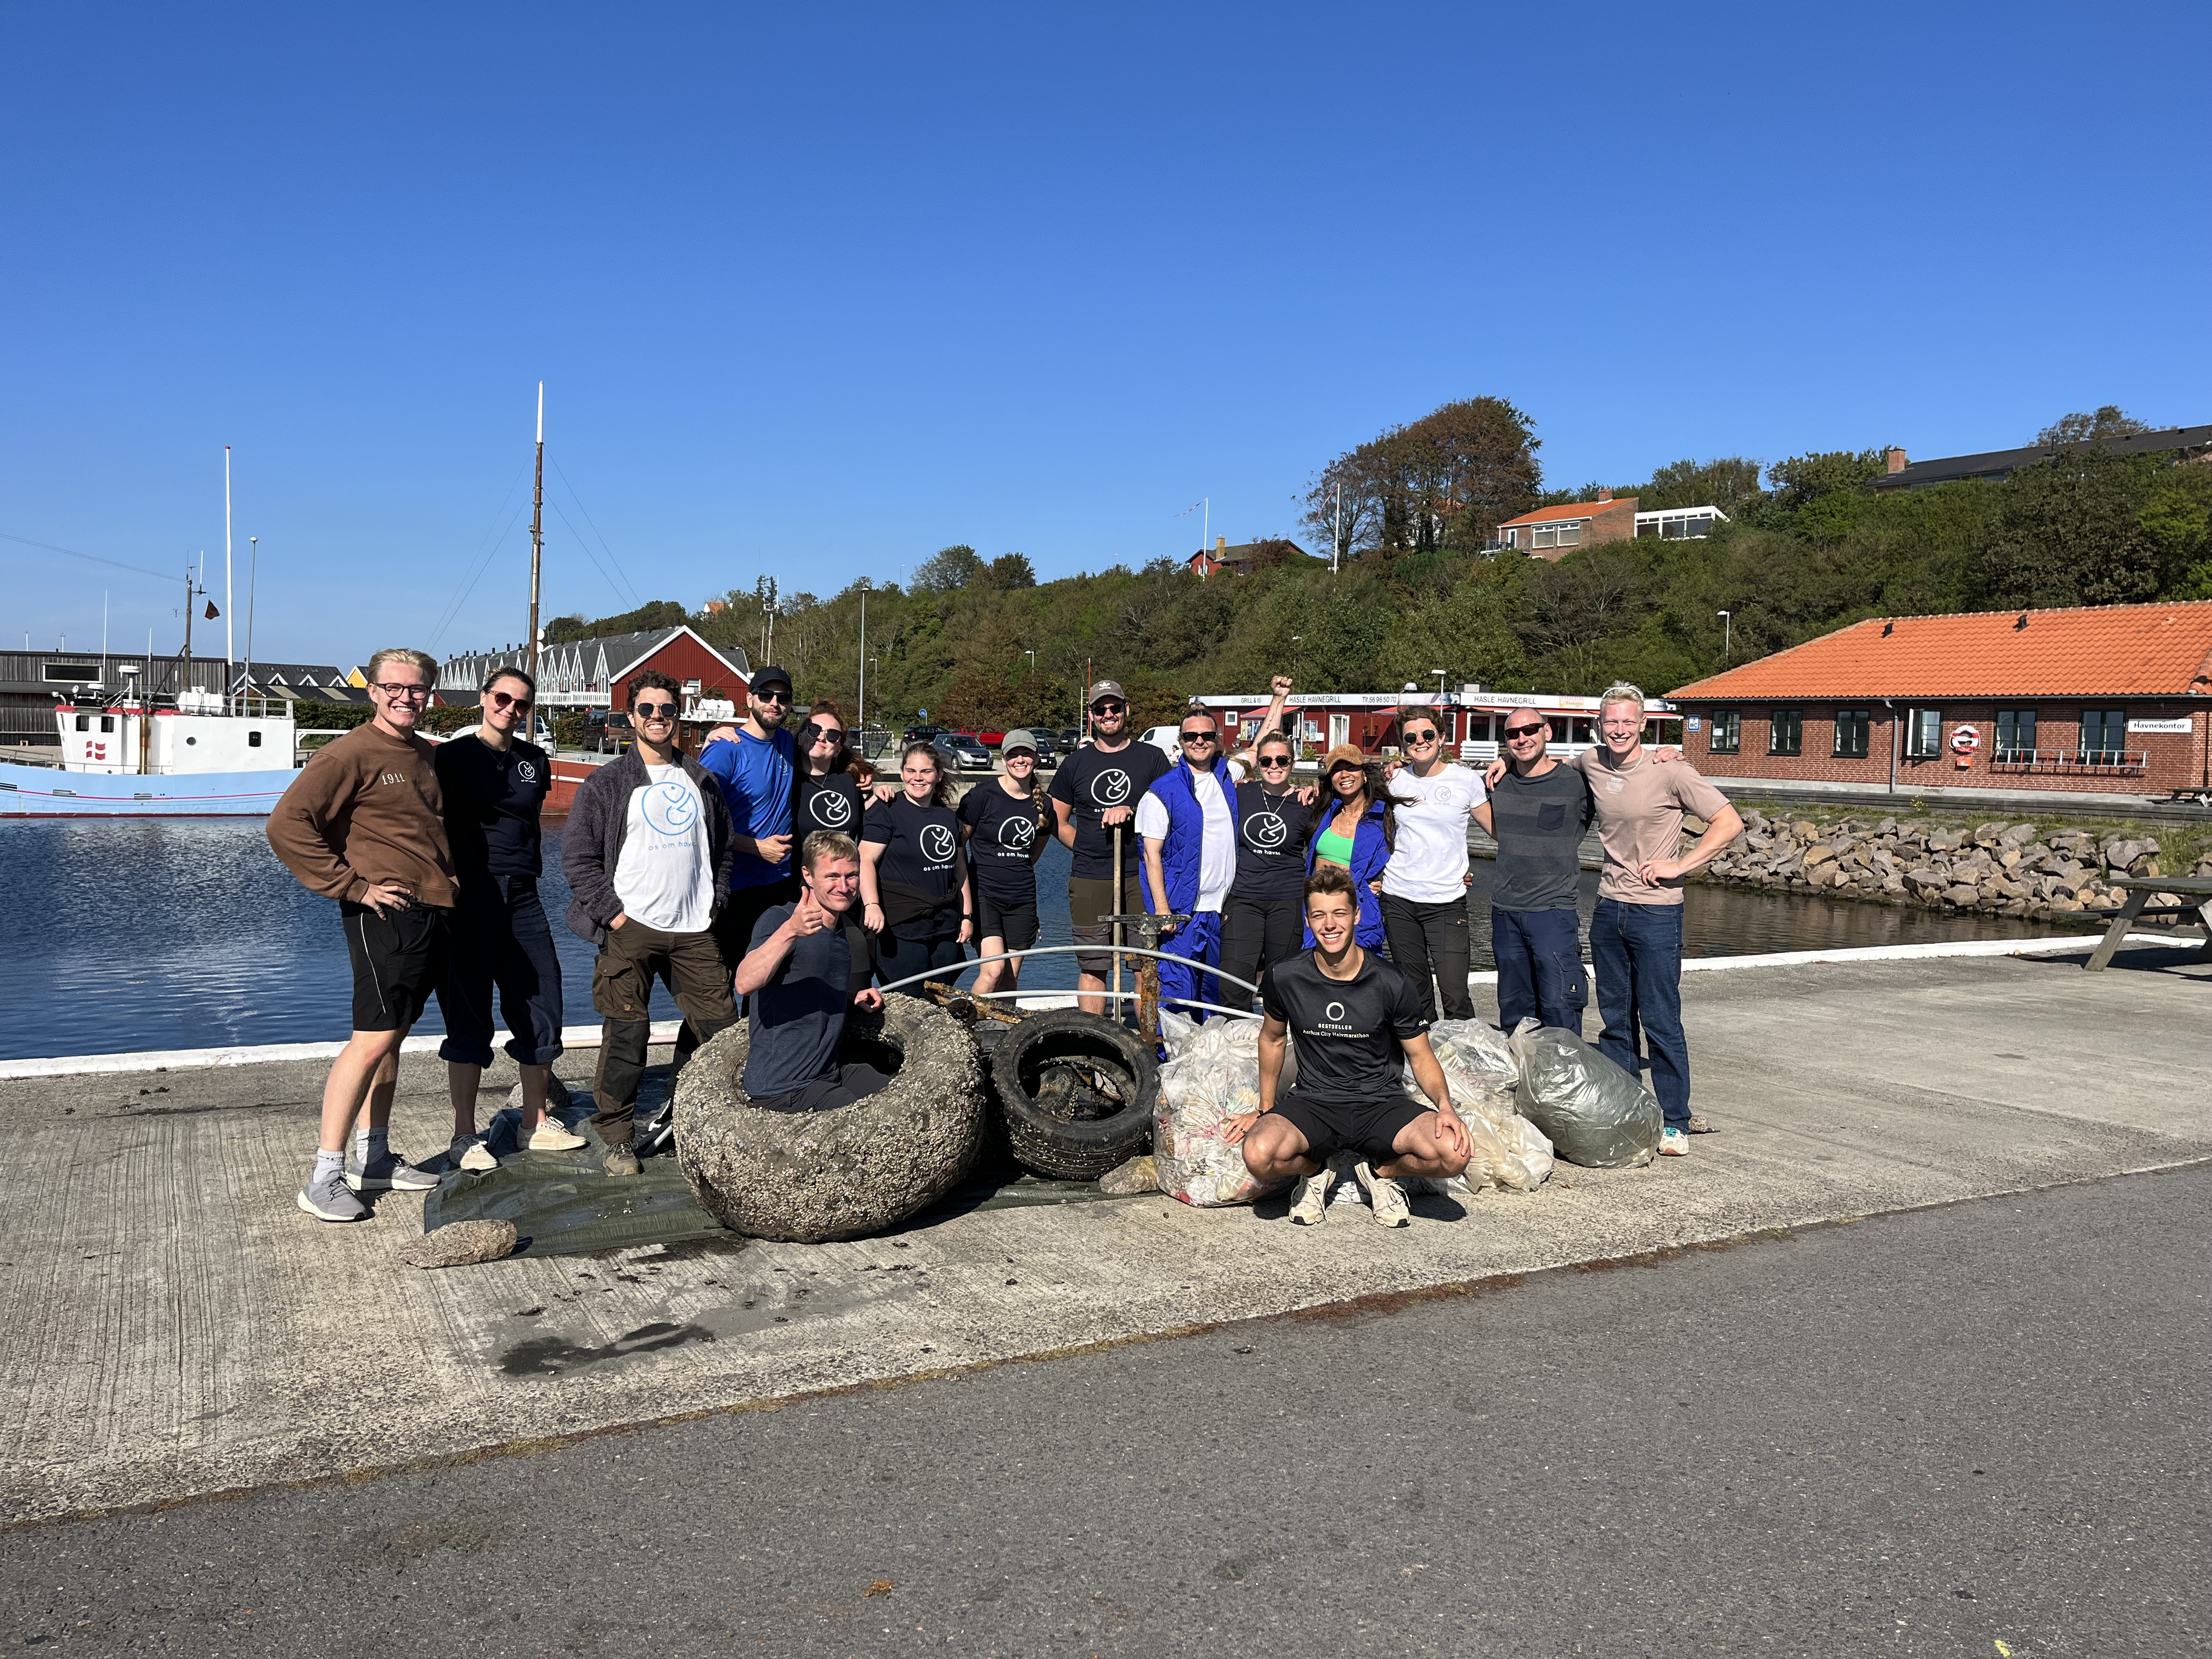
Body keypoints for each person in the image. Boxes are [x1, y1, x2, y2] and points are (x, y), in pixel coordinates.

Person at [1492, 684, 1742, 1155]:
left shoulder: (1671, 770)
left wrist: (1680, 865)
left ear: (1644, 723)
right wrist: (1507, 759)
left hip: (1657, 910)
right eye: (1612, 722)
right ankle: (1628, 1108)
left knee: (1660, 1018)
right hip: (1609, 906)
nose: (1620, 730)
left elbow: (1729, 822)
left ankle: (1674, 1119)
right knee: (1616, 1020)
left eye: (1629, 721)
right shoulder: (1591, 762)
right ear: (1600, 726)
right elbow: (1541, 761)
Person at [267, 646, 455, 1221]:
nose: (405, 697)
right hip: (384, 915)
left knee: (392, 1037)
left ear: (429, 694)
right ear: (373, 691)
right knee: (370, 1038)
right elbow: (286, 825)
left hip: (428, 911)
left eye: (416, 688)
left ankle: (374, 1157)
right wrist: (352, 887)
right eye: (393, 687)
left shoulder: (423, 752)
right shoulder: (348, 753)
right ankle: (324, 1175)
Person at [1224, 866, 1472, 1228]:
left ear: (1356, 915)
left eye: (1339, 913)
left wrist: (1445, 1107)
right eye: (1319, 915)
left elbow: (1420, 1056)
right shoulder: (1285, 975)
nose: (1330, 925)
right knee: (1258, 1155)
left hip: (1381, 1103)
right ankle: (1315, 1171)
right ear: (1307, 920)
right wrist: (1265, 1109)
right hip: (1314, 1102)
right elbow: (1272, 1038)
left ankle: (1381, 1172)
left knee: (1454, 1154)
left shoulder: (1392, 982)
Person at [562, 670, 738, 1176]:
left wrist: (715, 902)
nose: (657, 717)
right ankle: (617, 1137)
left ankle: (700, 1119)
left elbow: (724, 850)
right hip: (630, 927)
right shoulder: (606, 783)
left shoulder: (702, 780)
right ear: (631, 715)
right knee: (626, 1034)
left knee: (722, 1032)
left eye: (666, 709)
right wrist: (613, 915)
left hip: (694, 927)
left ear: (678, 715)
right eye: (647, 709)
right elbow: (578, 859)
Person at [433, 664, 582, 1170]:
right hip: (469, 896)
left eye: (521, 704)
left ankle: (534, 1123)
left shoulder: (533, 760)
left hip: (523, 895)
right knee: (469, 1014)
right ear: (483, 698)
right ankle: (464, 1135)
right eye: (502, 698)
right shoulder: (450, 757)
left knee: (543, 1001)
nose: (511, 709)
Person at [732, 831, 890, 1111]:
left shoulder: (843, 931)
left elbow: (811, 979)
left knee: (899, 1094)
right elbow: (744, 983)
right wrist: (791, 931)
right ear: (808, 875)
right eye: (832, 877)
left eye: (852, 876)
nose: (844, 887)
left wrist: (850, 996)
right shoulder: (780, 919)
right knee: (859, 1115)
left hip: (829, 1072)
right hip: (783, 1085)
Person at [1048, 680, 1170, 1015]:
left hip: (1140, 875)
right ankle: (1094, 1036)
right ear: (1091, 715)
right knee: (1093, 965)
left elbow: (1171, 811)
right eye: (1100, 709)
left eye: (1115, 707)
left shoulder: (1152, 758)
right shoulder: (1076, 763)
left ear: (1126, 710)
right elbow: (1058, 822)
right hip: (1090, 877)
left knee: (1144, 964)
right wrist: (1087, 847)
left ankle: (1148, 1037)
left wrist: (1133, 810)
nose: (1108, 714)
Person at [1483, 710, 1594, 1034]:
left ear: (1547, 732)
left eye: (1531, 729)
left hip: (1553, 911)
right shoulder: (1496, 782)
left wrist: (1664, 756)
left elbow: (1622, 771)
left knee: (1560, 1005)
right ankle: (1522, 1063)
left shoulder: (1576, 783)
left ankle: (1563, 1065)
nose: (1522, 738)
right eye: (1513, 734)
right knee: (1514, 1009)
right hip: (1505, 911)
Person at [1377, 706, 1488, 1023]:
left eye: (1427, 734)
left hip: (1446, 901)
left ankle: (1461, 1050)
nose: (1420, 742)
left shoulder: (1466, 780)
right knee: (1415, 992)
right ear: (1403, 743)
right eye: (1411, 737)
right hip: (1399, 899)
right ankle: (1423, 1049)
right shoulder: (1393, 779)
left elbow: (1499, 831)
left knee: (1455, 992)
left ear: (1441, 737)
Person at [1217, 676, 1316, 1011]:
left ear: (1293, 763)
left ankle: (1279, 1037)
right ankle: (1235, 1035)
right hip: (1244, 897)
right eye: (1267, 761)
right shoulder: (1239, 792)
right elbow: (1248, 750)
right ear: (1257, 764)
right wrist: (1278, 699)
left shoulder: (1306, 803)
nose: (1275, 766)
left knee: (1282, 981)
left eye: (1282, 761)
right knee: (1234, 981)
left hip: (1287, 900)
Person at [1137, 706, 1237, 1020]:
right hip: (1182, 912)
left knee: (1212, 995)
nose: (1199, 741)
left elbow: (1264, 748)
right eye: (1192, 736)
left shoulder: (1226, 776)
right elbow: (1150, 855)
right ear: (1181, 741)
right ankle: (1171, 1052)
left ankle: (1207, 1050)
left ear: (1217, 739)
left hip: (1219, 910)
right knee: (1177, 994)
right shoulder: (1161, 792)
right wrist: (1162, 910)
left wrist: (1278, 698)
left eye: (1207, 735)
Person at [701, 663, 797, 978]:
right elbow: (701, 819)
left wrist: (866, 781)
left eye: (783, 697)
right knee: (724, 983)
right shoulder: (725, 750)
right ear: (750, 698)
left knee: (769, 981)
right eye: (766, 695)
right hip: (734, 888)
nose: (774, 703)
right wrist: (756, 848)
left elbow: (829, 750)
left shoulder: (787, 743)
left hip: (779, 886)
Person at [859, 742, 973, 995]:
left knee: (940, 997)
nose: (917, 778)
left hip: (945, 926)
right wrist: (872, 905)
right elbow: (865, 859)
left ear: (939, 775)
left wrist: (967, 916)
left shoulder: (947, 816)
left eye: (926, 771)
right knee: (909, 998)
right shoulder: (888, 810)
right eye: (911, 771)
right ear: (902, 773)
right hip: (901, 925)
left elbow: (960, 869)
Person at [957, 729, 1052, 998]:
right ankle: (967, 1020)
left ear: (1036, 758)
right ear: (1004, 758)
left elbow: (1033, 854)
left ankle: (1002, 1023)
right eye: (1013, 754)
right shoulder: (981, 797)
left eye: (1026, 754)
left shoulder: (1044, 805)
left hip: (1022, 898)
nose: (1020, 760)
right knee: (993, 970)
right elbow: (957, 845)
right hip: (985, 895)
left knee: (1011, 976)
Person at [1304, 745, 1393, 949]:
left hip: (1356, 908)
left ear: (1365, 774)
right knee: (1315, 964)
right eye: (1336, 770)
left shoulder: (1384, 816)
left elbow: (1408, 853)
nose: (1344, 775)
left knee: (1360, 964)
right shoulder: (1324, 810)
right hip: (1318, 907)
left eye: (1352, 767)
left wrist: (1384, 882)